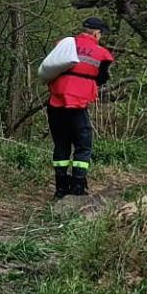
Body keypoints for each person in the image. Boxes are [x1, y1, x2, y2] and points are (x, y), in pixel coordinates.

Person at [46, 16, 115, 198]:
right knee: (83, 146)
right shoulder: (102, 53)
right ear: (96, 33)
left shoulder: (64, 43)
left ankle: (60, 188)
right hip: (78, 104)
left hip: (56, 102)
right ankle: (78, 187)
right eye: (101, 34)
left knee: (61, 145)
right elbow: (102, 78)